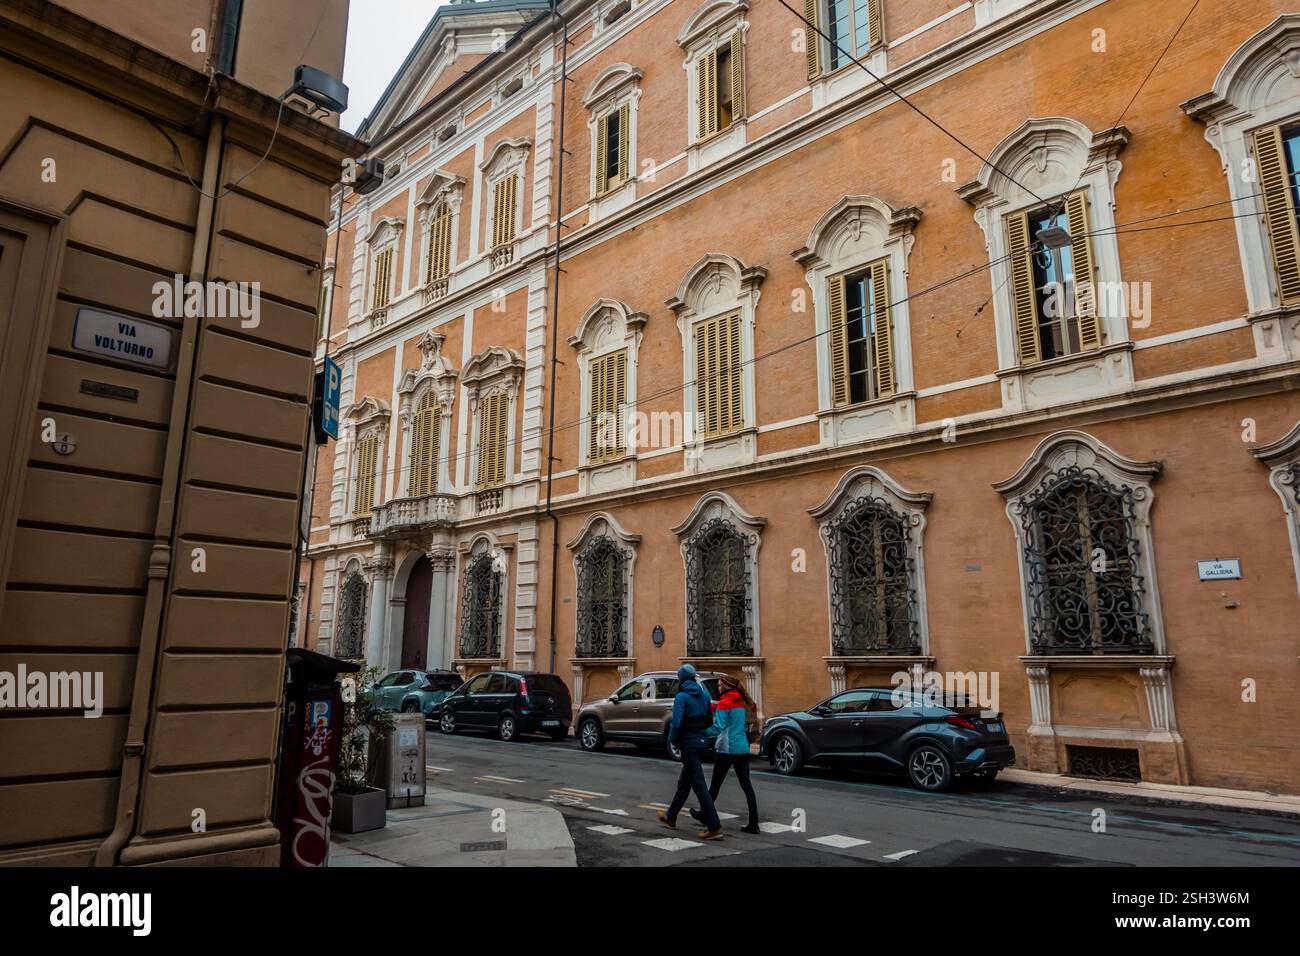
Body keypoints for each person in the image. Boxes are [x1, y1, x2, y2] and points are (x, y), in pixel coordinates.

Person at [658, 664, 723, 840]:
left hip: (688, 744)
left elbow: (676, 723)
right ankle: (671, 816)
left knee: (699, 784)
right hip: (701, 741)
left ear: (681, 679)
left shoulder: (681, 697)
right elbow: (710, 720)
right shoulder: (704, 695)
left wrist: (672, 740)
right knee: (685, 782)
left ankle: (714, 825)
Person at [690, 674, 760, 834]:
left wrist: (700, 733)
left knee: (715, 785)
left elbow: (718, 727)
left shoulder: (724, 703)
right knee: (747, 786)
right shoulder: (741, 701)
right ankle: (754, 823)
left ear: (727, 686)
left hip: (727, 748)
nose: (719, 688)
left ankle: (704, 814)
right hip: (742, 747)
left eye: (721, 685)